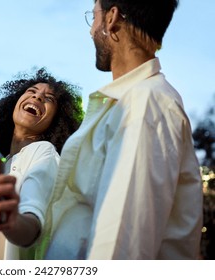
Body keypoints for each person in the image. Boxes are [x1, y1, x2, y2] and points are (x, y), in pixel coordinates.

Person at [38, 0, 203, 259]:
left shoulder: (146, 103)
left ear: (112, 18)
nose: (91, 30)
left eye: (93, 18)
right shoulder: (132, 100)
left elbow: (122, 239)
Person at [0, 68, 84, 260]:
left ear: (57, 119)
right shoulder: (2, 162)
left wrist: (10, 220)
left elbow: (31, 224)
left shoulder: (43, 152)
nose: (37, 97)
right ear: (14, 102)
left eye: (49, 98)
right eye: (31, 91)